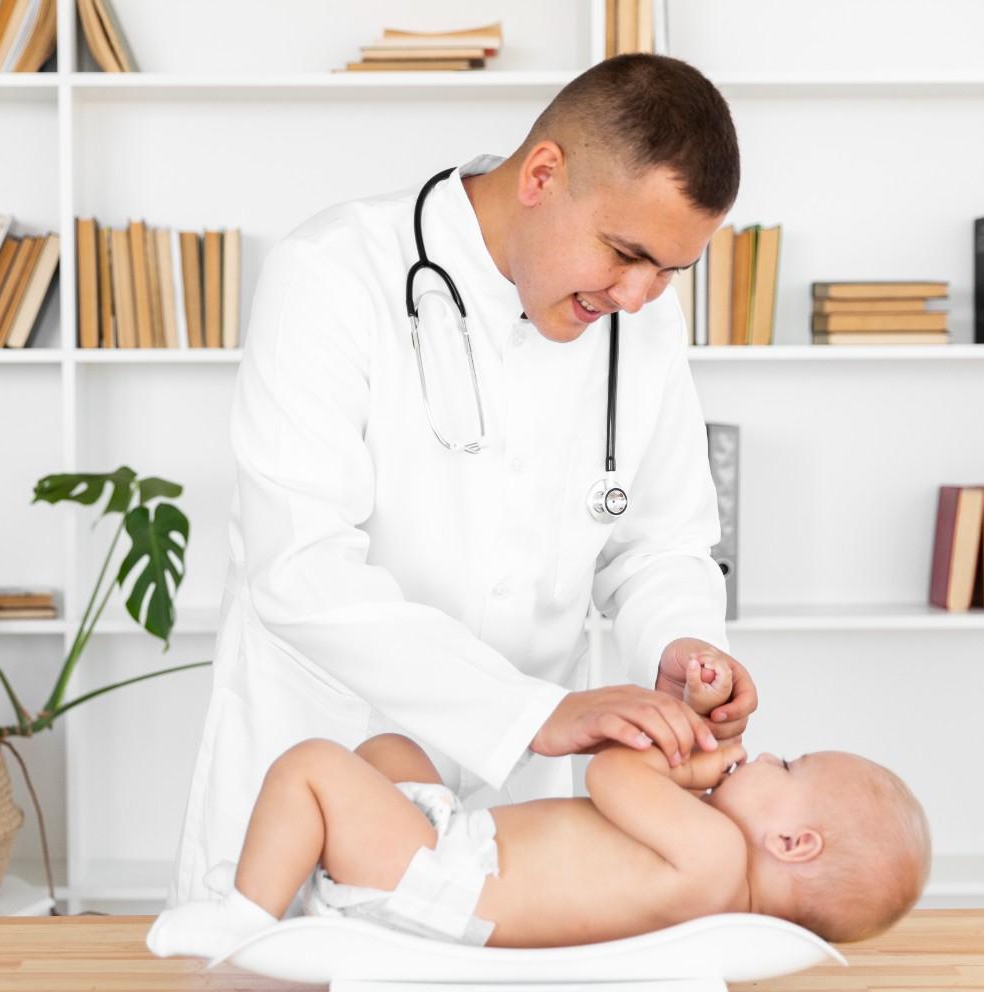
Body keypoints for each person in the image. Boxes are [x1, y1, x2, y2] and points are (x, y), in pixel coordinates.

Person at [172, 53, 759, 910]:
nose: (639, 296)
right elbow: (300, 571)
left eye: (671, 269)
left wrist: (683, 643)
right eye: (626, 253)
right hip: (313, 782)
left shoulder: (645, 325)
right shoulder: (333, 276)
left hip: (507, 838)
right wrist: (529, 714)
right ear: (543, 173)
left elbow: (658, 542)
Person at [148, 652, 931, 957]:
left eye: (785, 763)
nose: (762, 752)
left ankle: (244, 926)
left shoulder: (720, 859)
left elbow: (610, 779)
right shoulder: (717, 875)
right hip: (455, 854)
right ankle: (323, 888)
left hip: (448, 887)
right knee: (390, 751)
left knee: (312, 766)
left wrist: (690, 769)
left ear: (794, 842)